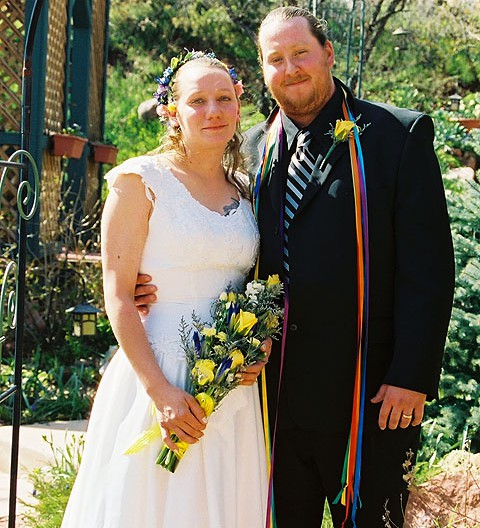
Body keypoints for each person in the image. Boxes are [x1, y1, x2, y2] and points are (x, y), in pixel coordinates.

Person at [135, 7, 455, 527]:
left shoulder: (397, 136)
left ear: (327, 54)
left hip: (371, 393)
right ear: (261, 72)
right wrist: (153, 286)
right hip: (271, 397)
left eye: (300, 53)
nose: (290, 69)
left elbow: (430, 266)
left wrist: (411, 376)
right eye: (275, 59)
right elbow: (221, 244)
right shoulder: (252, 150)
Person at [61, 51, 269, 528]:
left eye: (223, 98)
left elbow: (255, 284)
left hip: (229, 381)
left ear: (239, 104)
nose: (212, 111)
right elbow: (117, 295)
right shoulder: (139, 181)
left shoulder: (246, 188)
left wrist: (259, 345)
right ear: (171, 110)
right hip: (158, 375)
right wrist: (162, 394)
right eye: (197, 101)